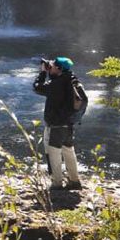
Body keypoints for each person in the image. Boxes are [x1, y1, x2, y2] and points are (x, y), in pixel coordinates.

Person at [33, 56, 82, 191]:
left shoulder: (56, 84)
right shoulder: (70, 79)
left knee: (53, 153)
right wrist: (51, 71)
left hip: (56, 125)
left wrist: (42, 73)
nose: (50, 66)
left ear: (59, 69)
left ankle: (56, 183)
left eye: (53, 65)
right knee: (68, 151)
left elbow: (38, 88)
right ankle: (74, 181)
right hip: (68, 125)